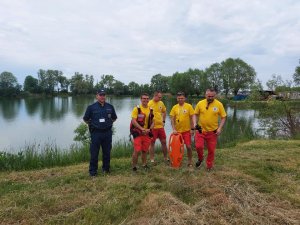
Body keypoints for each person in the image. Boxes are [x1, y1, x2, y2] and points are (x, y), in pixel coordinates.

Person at [83, 89, 117, 176]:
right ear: (97, 96)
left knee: (107, 153)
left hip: (107, 133)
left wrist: (108, 124)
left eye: (104, 95)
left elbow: (114, 118)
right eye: (100, 95)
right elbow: (85, 119)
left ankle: (106, 169)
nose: (102, 96)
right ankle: (93, 172)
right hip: (96, 134)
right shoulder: (91, 107)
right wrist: (93, 125)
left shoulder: (110, 106)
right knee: (94, 153)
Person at [193, 88, 226, 171]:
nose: (210, 97)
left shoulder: (219, 104)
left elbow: (223, 117)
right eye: (209, 96)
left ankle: (209, 165)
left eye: (212, 96)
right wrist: (194, 124)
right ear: (205, 95)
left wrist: (220, 128)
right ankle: (200, 159)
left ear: (215, 95)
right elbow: (195, 114)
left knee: (211, 150)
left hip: (212, 132)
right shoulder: (200, 103)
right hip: (200, 130)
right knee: (198, 147)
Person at [169, 92, 195, 167]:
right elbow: (172, 119)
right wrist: (174, 129)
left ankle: (189, 161)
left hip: (186, 131)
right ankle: (177, 161)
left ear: (185, 98)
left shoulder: (189, 106)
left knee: (189, 146)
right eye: (179, 98)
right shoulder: (174, 107)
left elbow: (192, 118)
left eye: (182, 98)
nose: (180, 99)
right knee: (177, 148)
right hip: (177, 132)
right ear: (177, 99)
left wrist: (192, 129)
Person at [130, 93, 154, 171]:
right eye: (144, 98)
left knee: (144, 150)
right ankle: (134, 166)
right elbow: (133, 121)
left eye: (147, 98)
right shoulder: (136, 109)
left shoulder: (151, 109)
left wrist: (149, 130)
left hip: (147, 133)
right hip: (137, 133)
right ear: (141, 99)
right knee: (137, 150)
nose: (146, 100)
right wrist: (141, 129)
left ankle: (144, 164)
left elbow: (153, 122)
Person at [148, 91, 168, 163]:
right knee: (152, 143)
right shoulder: (149, 103)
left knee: (164, 142)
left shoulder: (161, 103)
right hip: (153, 127)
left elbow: (164, 111)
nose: (160, 98)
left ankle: (165, 157)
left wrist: (164, 121)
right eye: (159, 97)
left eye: (161, 97)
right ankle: (152, 159)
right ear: (155, 96)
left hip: (160, 126)